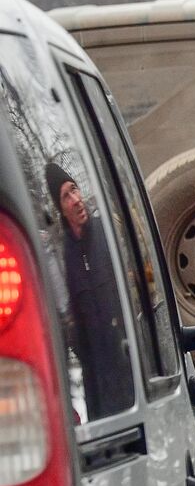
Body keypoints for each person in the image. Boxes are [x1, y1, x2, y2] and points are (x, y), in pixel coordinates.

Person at [46, 162, 133, 420]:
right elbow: (66, 321)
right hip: (97, 381)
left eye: (75, 190)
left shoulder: (109, 231)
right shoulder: (61, 257)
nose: (75, 200)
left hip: (131, 365)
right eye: (66, 196)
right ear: (60, 208)